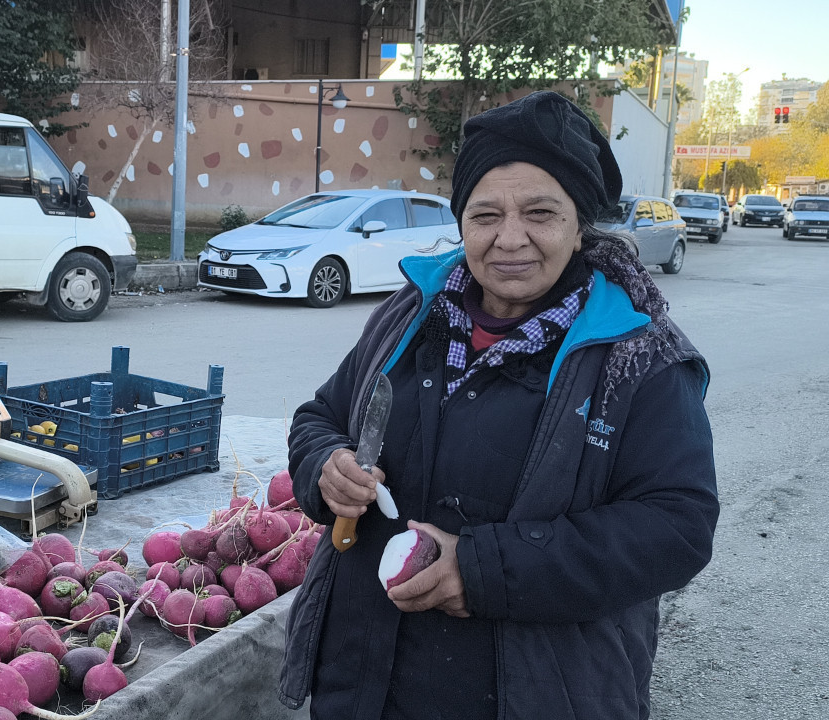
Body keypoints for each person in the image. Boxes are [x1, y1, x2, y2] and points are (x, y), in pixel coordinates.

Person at [277, 91, 719, 720]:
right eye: (485, 215)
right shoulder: (410, 316)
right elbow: (320, 417)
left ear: (578, 226)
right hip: (360, 683)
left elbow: (677, 528)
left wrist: (481, 570)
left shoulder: (637, 356)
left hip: (540, 695)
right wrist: (326, 467)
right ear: (461, 223)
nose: (510, 239)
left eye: (540, 213)